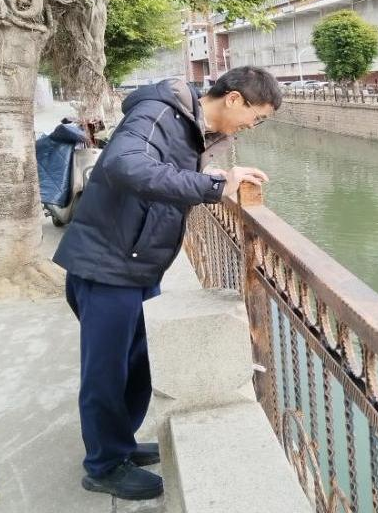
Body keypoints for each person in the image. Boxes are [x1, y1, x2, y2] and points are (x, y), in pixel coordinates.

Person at [53, 66, 281, 500]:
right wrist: (212, 186)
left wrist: (217, 178)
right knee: (106, 372)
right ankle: (103, 466)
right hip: (106, 265)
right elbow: (124, 165)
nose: (253, 126)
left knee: (139, 364)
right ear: (235, 99)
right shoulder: (161, 111)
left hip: (138, 265)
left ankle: (120, 445)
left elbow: (169, 176)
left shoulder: (195, 129)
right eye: (257, 117)